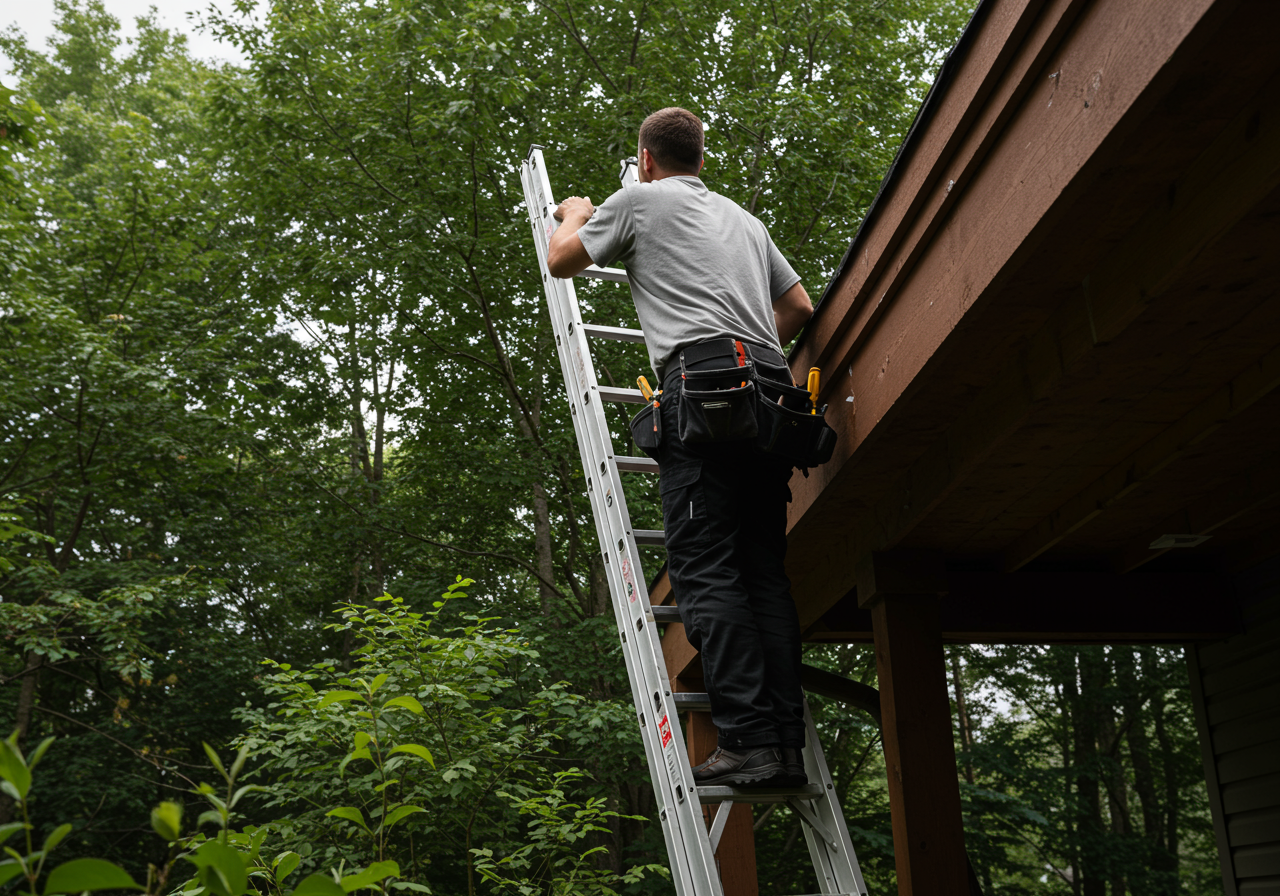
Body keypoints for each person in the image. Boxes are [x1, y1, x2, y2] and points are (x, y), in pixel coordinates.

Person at [546, 107, 814, 787]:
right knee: (761, 574)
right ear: (700, 158)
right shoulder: (745, 221)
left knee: (706, 572)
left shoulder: (634, 200)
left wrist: (576, 211)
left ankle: (750, 742)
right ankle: (781, 743)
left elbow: (561, 261)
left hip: (706, 394)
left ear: (645, 159)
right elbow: (799, 309)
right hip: (771, 399)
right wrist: (748, 345)